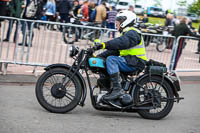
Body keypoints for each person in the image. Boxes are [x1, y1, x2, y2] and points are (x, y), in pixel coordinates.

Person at [92, 10, 147, 100]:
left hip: (136, 62)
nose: (116, 23)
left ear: (126, 21)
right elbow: (115, 50)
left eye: (119, 21)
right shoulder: (126, 33)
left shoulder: (133, 33)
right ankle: (108, 89)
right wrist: (99, 57)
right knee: (106, 61)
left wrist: (103, 45)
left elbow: (121, 43)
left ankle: (117, 89)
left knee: (111, 60)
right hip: (130, 61)